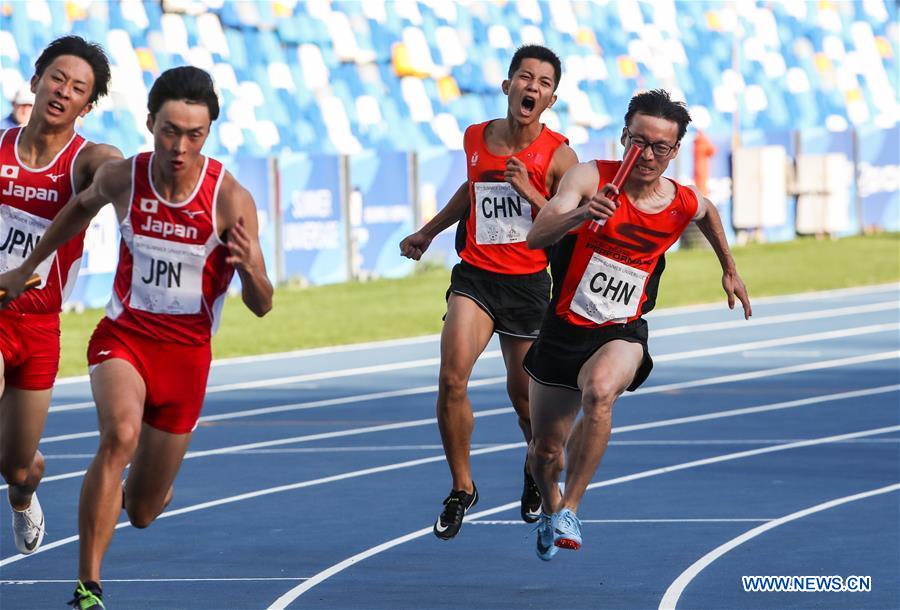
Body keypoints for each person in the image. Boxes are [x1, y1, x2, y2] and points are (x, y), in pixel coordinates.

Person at [0, 66, 273, 609]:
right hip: (123, 340)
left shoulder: (229, 197)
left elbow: (263, 305)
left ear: (208, 133)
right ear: (151, 124)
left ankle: (131, 496)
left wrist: (249, 271)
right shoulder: (128, 177)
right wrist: (27, 264)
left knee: (145, 509)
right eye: (170, 131)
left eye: (194, 135)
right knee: (119, 434)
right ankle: (87, 587)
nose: (179, 146)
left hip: (187, 359)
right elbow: (75, 209)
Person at [523, 89, 752, 560]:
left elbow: (707, 212)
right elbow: (536, 236)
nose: (646, 155)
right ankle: (549, 508)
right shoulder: (590, 177)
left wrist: (729, 267)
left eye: (660, 147)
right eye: (637, 142)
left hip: (621, 330)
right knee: (546, 452)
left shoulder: (679, 201)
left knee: (602, 392)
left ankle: (572, 508)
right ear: (623, 136)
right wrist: (585, 213)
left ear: (675, 151)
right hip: (564, 328)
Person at [399, 45, 578, 540]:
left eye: (543, 82)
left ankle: (534, 472)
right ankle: (462, 487)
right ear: (507, 86)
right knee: (452, 379)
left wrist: (531, 194)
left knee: (525, 403)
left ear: (551, 99)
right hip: (476, 277)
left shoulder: (560, 155)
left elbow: (569, 226)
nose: (532, 87)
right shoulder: (476, 136)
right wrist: (428, 232)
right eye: (525, 77)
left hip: (527, 287)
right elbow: (471, 189)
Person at [0, 36, 120, 559]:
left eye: (77, 88)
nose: (62, 91)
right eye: (56, 78)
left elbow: (112, 168)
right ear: (34, 81)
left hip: (40, 326)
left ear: (86, 106)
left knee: (18, 463)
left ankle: (24, 492)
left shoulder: (85, 160)